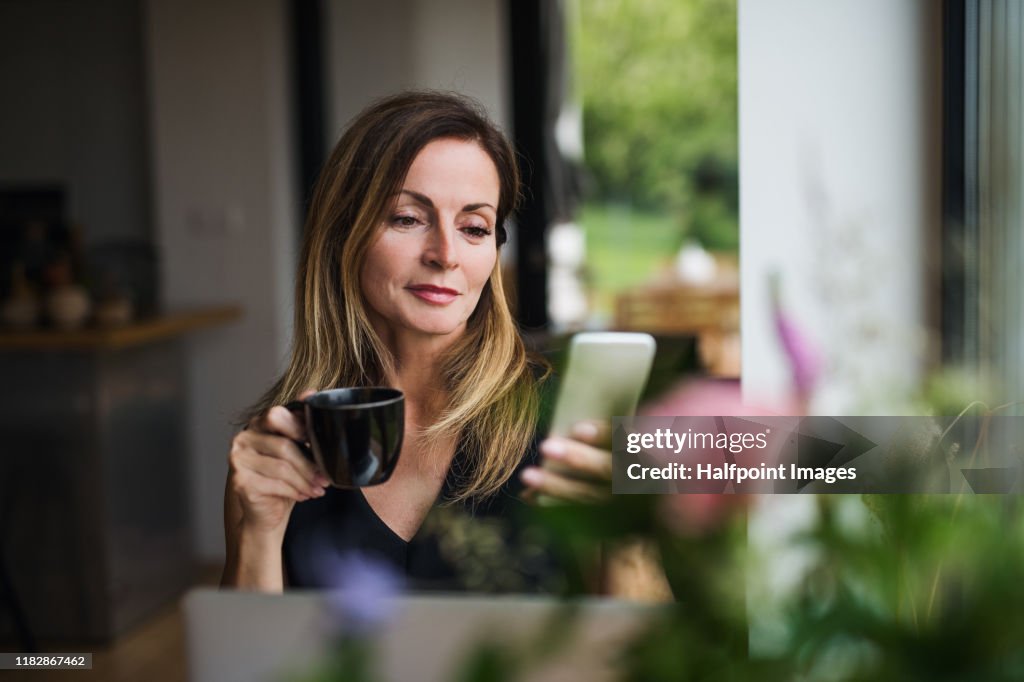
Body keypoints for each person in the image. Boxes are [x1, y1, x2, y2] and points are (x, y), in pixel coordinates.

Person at [220, 91, 613, 592]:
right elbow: (250, 664)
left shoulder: (568, 420)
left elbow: (653, 651)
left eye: (474, 227)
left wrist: (629, 530)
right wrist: (260, 530)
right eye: (408, 218)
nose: (445, 254)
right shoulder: (277, 448)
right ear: (344, 233)